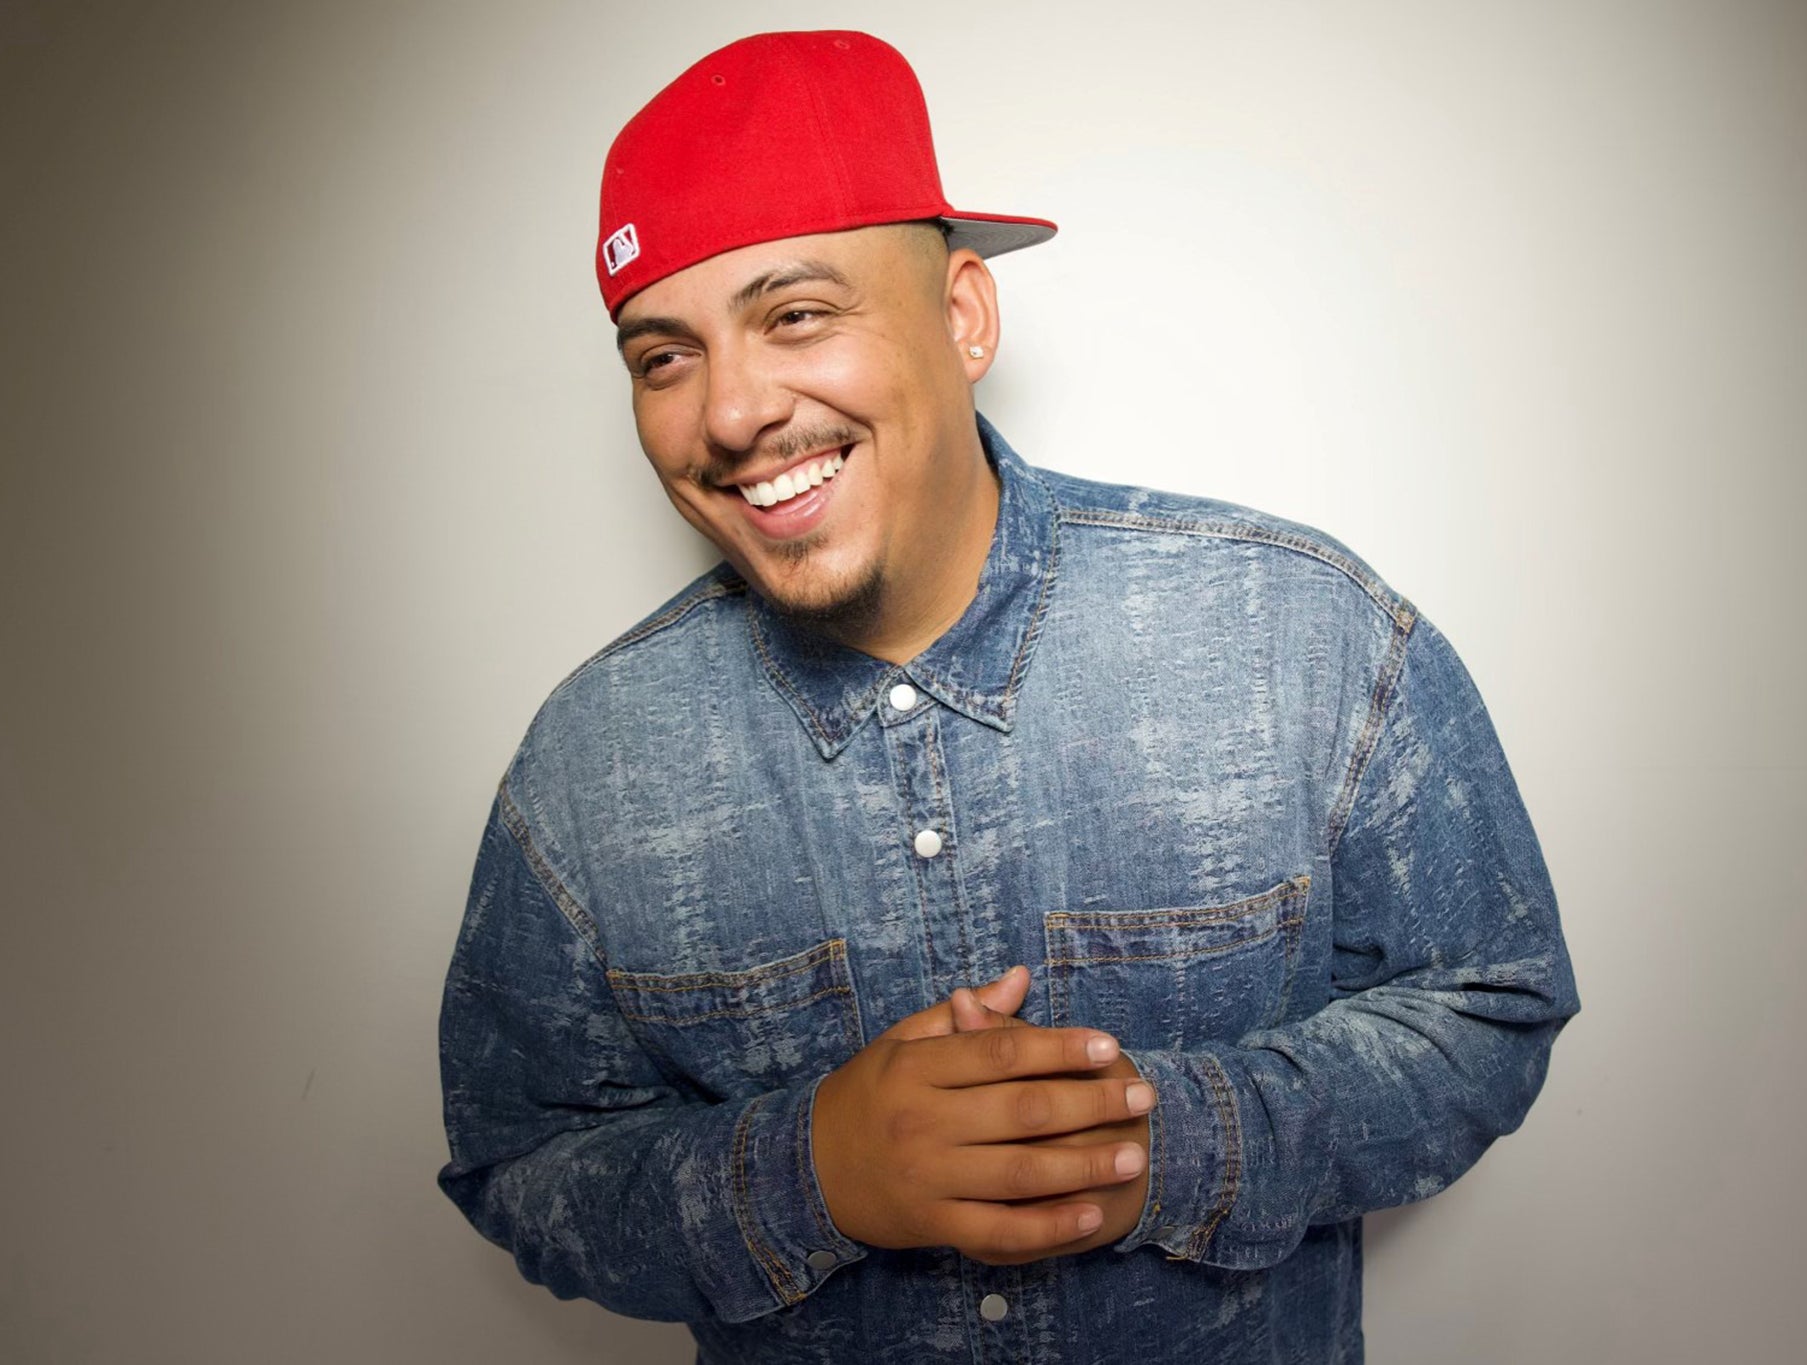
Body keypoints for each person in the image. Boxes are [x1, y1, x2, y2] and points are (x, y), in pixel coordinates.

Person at [438, 29, 1579, 1365]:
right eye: (662, 357)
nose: (731, 414)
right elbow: (520, 1161)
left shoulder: (1308, 634)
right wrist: (809, 1172)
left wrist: (1154, 1141)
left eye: (794, 314)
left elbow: (1491, 1002)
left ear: (964, 316)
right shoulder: (586, 766)